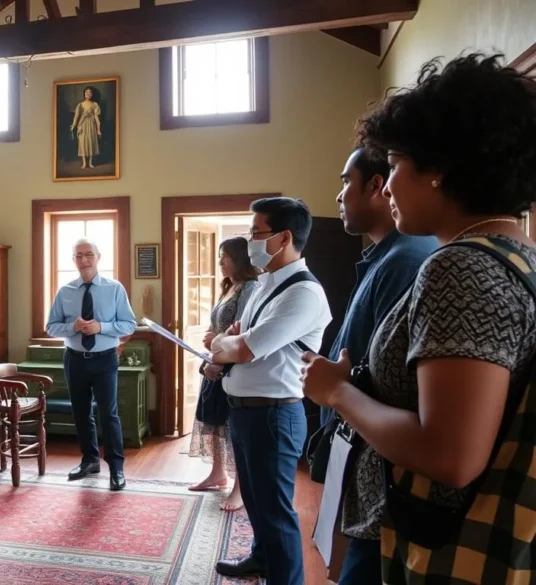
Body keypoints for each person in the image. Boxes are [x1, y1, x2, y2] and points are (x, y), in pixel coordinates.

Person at [302, 53, 536, 585]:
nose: (387, 186)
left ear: (439, 169)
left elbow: (449, 454)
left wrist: (337, 393)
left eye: (396, 164)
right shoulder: (517, 255)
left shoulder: (460, 267)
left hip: (432, 540)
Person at [320, 148, 438, 585]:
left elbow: (395, 383)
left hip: (388, 479)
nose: (339, 196)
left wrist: (336, 389)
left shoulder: (408, 260)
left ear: (376, 185)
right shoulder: (385, 256)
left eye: (345, 182)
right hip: (367, 459)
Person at [210, 197, 332, 584]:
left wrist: (225, 344)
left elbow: (243, 347)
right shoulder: (265, 284)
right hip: (246, 410)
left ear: (284, 238)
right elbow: (236, 338)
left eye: (256, 233)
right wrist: (228, 345)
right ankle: (261, 558)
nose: (250, 242)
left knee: (276, 512)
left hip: (274, 414)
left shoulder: (303, 293)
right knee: (257, 501)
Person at [46, 238, 136, 491]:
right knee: (81, 413)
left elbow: (129, 324)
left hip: (104, 359)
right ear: (73, 260)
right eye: (79, 255)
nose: (84, 260)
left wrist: (101, 327)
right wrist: (72, 327)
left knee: (108, 413)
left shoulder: (114, 288)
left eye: (89, 255)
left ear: (98, 257)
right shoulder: (65, 291)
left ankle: (116, 468)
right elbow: (51, 327)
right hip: (74, 360)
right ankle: (89, 460)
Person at [188, 236, 260, 512]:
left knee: (232, 428)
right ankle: (217, 474)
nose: (220, 261)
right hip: (215, 362)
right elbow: (216, 325)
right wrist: (210, 340)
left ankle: (240, 488)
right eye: (220, 256)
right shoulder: (229, 287)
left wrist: (216, 350)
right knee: (214, 422)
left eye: (225, 256)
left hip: (231, 366)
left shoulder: (250, 287)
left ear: (240, 259)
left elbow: (242, 330)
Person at [69, 86, 102, 169]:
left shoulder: (94, 105)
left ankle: (90, 163)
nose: (88, 94)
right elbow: (76, 117)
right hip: (82, 125)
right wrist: (73, 125)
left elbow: (97, 118)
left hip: (91, 125)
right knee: (82, 143)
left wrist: (98, 129)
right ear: (84, 94)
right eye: (87, 92)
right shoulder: (80, 105)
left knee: (91, 142)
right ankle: (84, 163)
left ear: (92, 94)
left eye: (90, 93)